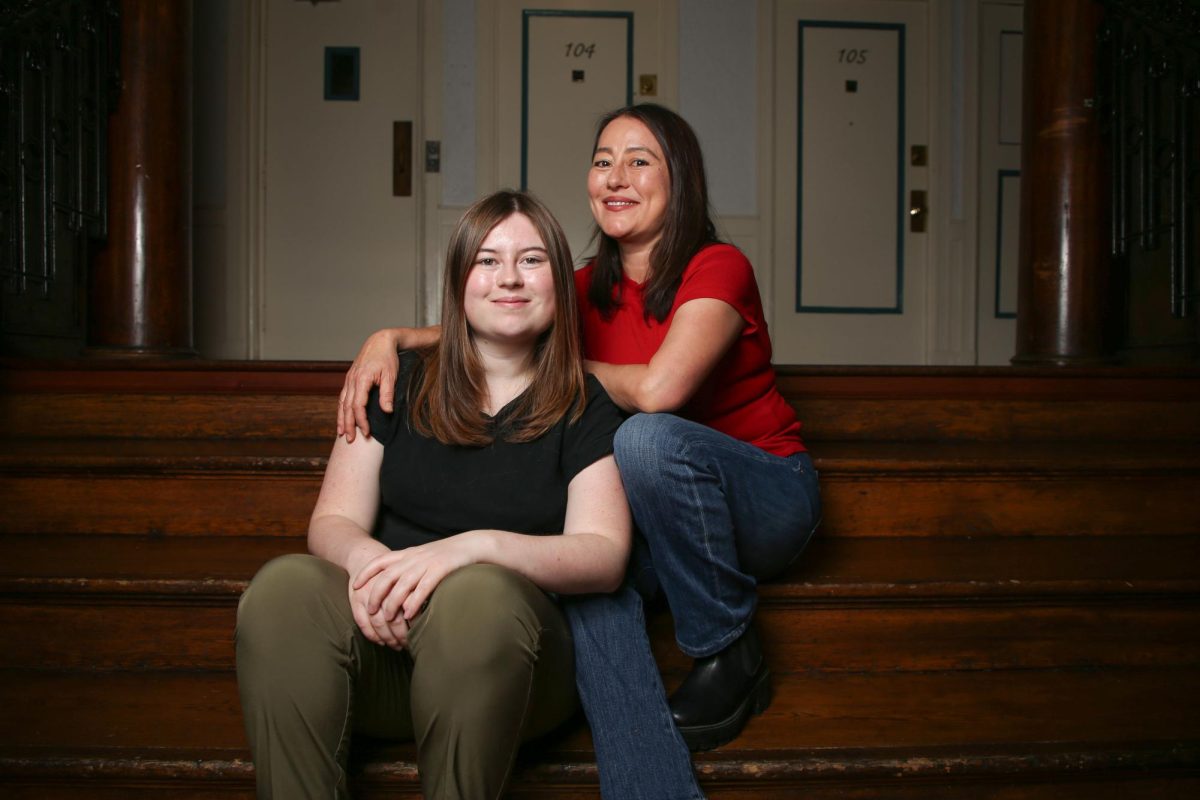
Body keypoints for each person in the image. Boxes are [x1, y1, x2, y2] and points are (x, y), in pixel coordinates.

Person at [338, 104, 820, 800]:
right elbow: (497, 323)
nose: (615, 176)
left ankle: (727, 644)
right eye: (602, 160)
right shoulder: (582, 285)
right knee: (593, 586)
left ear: (679, 179)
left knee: (642, 439)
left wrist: (565, 365)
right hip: (661, 524)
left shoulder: (718, 267)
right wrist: (392, 337)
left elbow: (659, 392)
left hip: (762, 496)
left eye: (639, 160)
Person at [236, 190, 631, 800]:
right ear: (458, 280)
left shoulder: (585, 403)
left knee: (480, 592)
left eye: (531, 261)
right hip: (388, 658)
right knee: (283, 587)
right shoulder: (396, 381)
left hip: (513, 668)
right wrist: (369, 567)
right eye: (486, 260)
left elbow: (603, 554)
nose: (509, 279)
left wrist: (473, 548)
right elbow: (332, 521)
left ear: (559, 279)